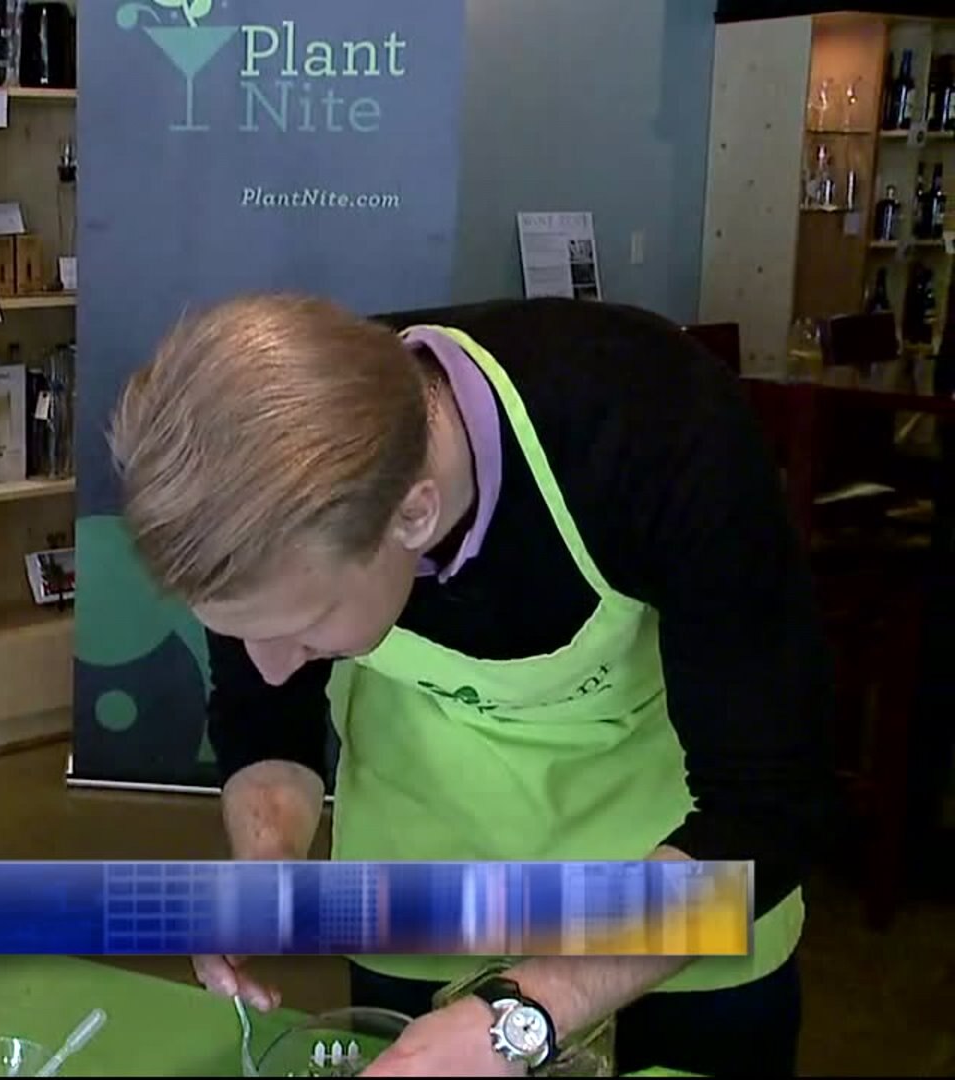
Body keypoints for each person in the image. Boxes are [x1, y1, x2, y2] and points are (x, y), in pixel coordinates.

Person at [106, 294, 834, 1077]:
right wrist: (267, 860)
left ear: (414, 515)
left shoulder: (656, 427)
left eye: (307, 627)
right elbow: (264, 711)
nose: (274, 663)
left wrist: (524, 1016)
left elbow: (768, 808)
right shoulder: (263, 481)